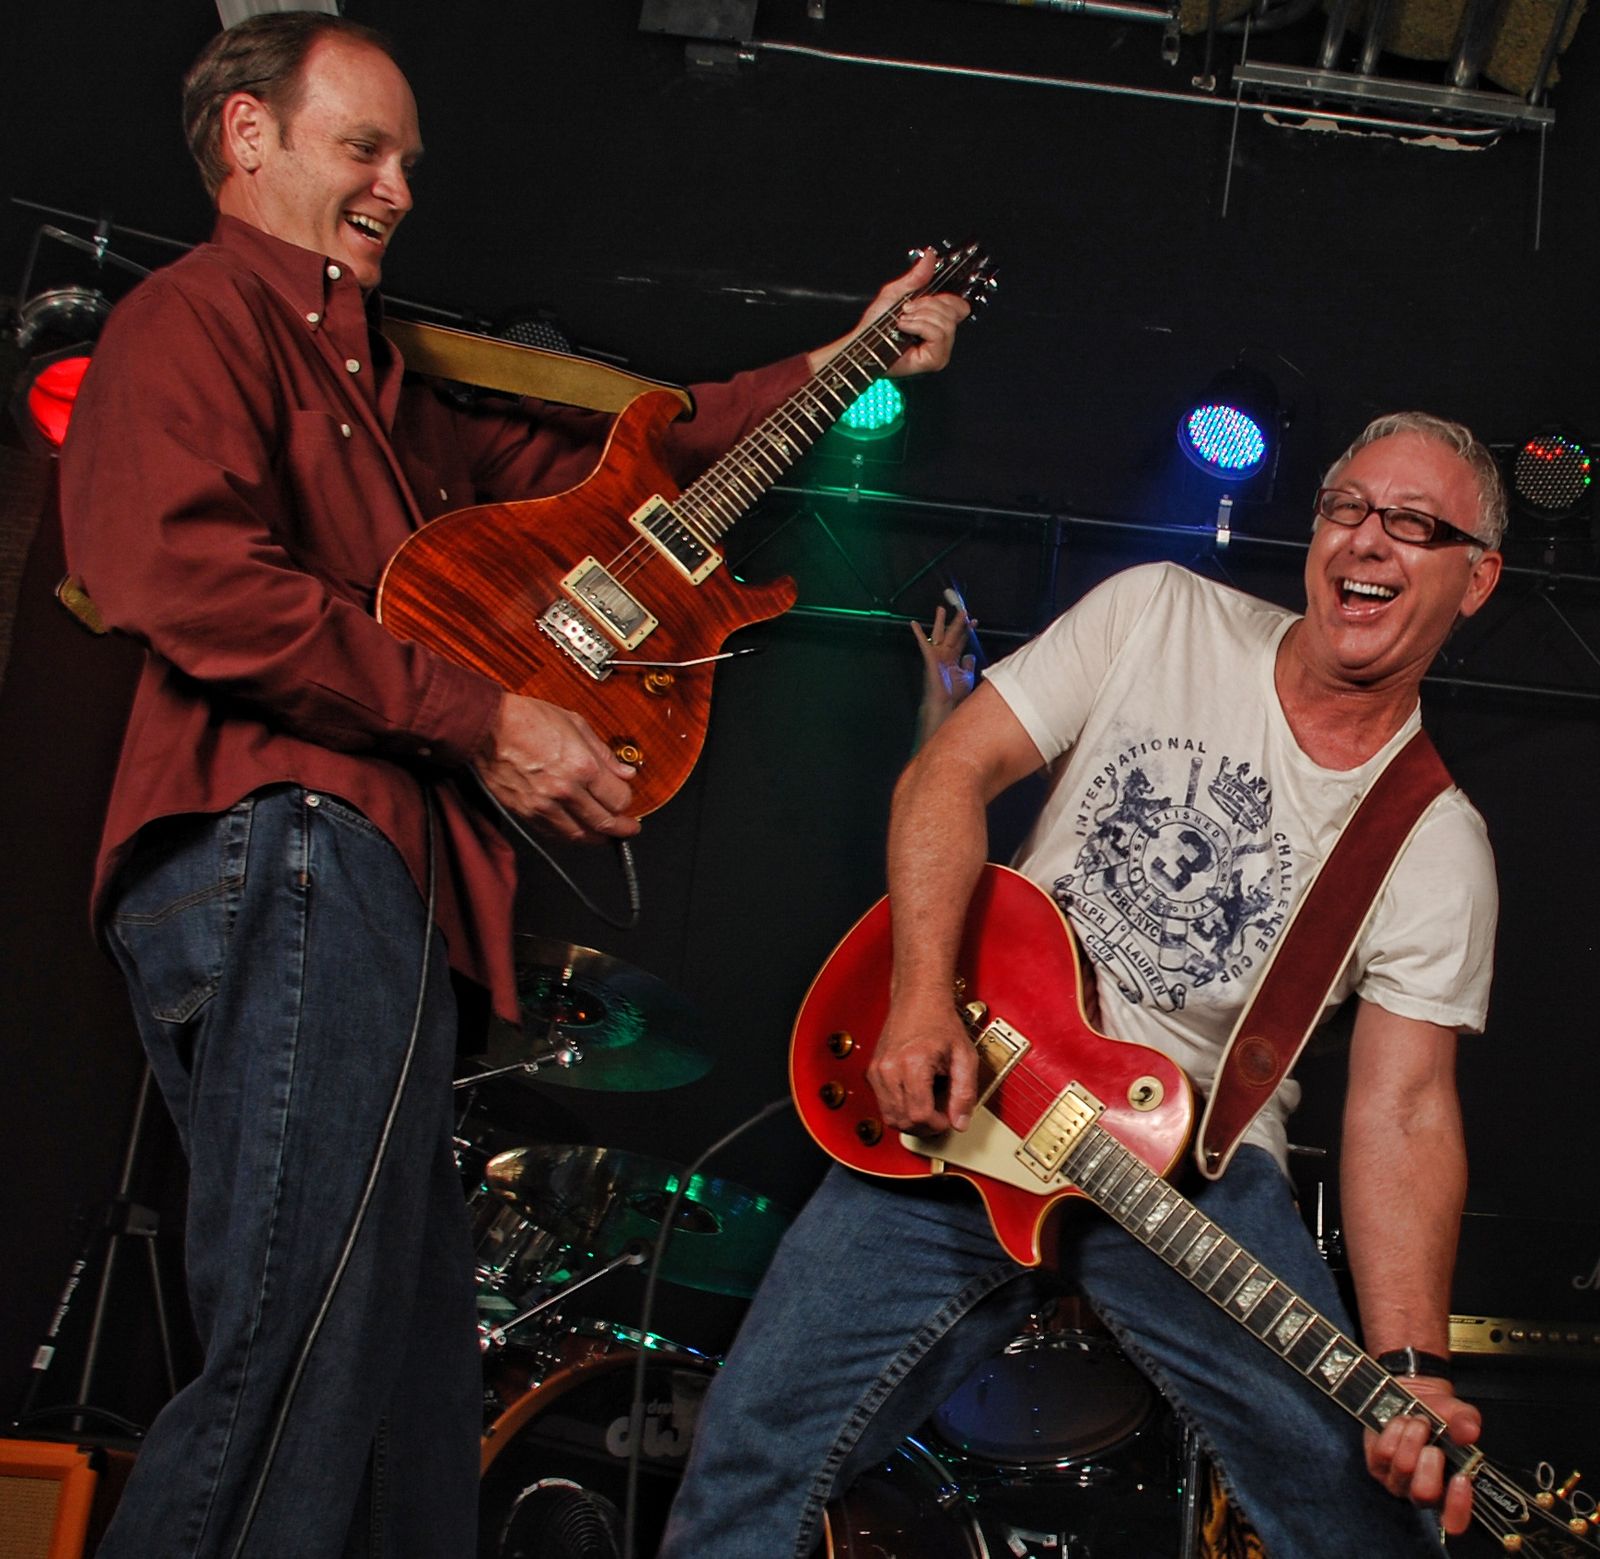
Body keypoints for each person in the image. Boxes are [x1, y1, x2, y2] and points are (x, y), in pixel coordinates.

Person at [57, 12, 970, 1557]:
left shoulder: (395, 393)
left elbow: (644, 475)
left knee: (410, 1405)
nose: (399, 187)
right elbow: (178, 569)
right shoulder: (199, 314)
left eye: (409, 160)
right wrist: (482, 716)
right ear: (248, 137)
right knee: (303, 1345)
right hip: (295, 841)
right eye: (365, 148)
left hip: (380, 887)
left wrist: (844, 357)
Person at [661, 412, 1503, 1558]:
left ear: (1475, 578)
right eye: (1345, 507)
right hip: (977, 1081)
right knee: (750, 1451)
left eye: (1411, 523)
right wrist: (920, 998)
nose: (1365, 539)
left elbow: (1402, 1108)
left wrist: (1410, 1364)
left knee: (1359, 1510)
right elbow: (949, 769)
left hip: (1190, 1165)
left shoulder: (1433, 841)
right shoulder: (1158, 612)